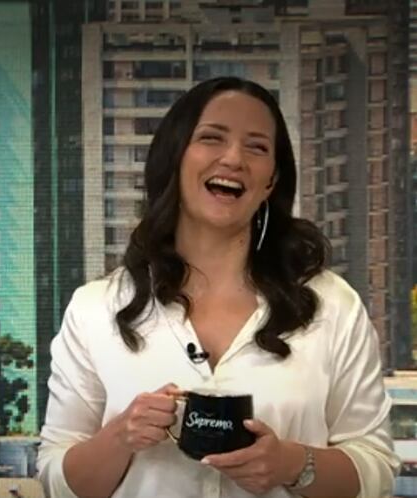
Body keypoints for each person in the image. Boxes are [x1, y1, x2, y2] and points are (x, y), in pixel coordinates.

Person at [37, 77, 399, 498]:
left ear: (271, 180)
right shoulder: (95, 310)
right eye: (212, 138)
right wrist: (120, 437)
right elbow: (56, 480)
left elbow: (376, 470)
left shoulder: (332, 305)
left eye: (257, 147)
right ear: (175, 157)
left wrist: (291, 464)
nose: (233, 158)